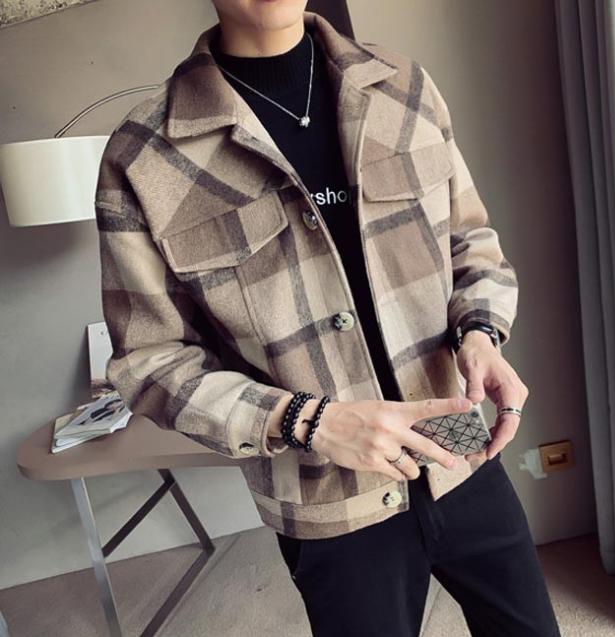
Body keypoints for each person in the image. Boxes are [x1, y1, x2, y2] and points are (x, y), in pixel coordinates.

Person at [94, 2, 561, 635]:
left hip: (459, 450)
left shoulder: (403, 87)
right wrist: (307, 420)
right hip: (325, 501)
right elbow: (150, 362)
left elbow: (469, 242)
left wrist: (480, 332)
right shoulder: (145, 156)